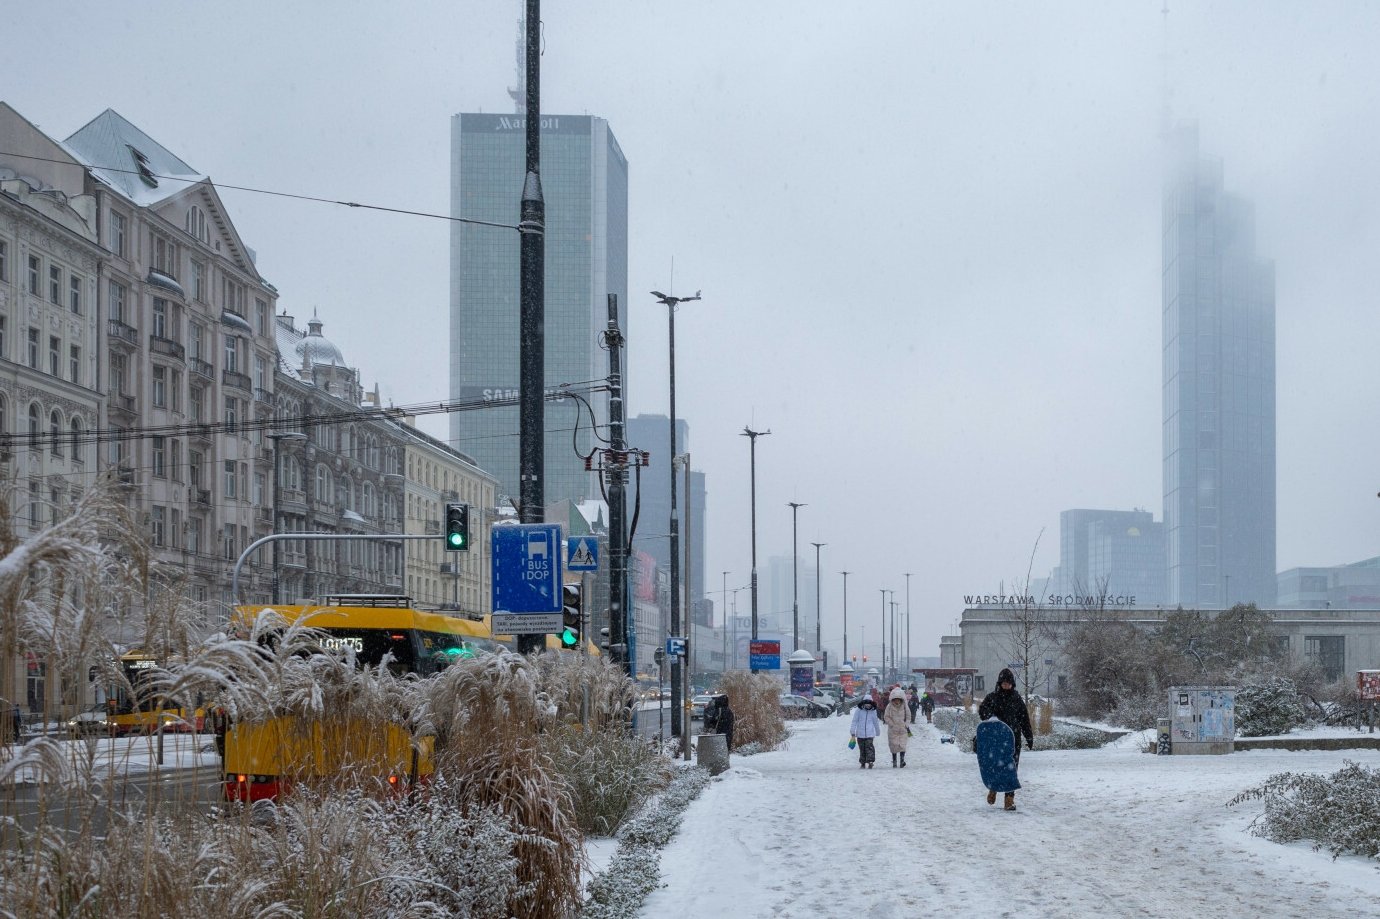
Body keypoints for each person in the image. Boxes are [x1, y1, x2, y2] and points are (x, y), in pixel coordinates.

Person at [978, 667, 1034, 810]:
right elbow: (982, 710)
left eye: (1008, 683)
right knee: (996, 767)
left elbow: (1024, 719)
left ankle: (1009, 800)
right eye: (1003, 683)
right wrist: (990, 716)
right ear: (999, 683)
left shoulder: (1017, 699)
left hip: (1013, 740)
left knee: (1011, 769)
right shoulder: (992, 697)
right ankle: (993, 789)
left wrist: (1029, 736)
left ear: (1012, 684)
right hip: (996, 740)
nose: (1006, 685)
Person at [849, 696, 882, 768]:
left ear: (871, 704)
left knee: (869, 747)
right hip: (860, 733)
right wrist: (852, 731)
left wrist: (877, 731)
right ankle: (862, 762)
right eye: (866, 704)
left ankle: (870, 761)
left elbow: (875, 722)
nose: (868, 705)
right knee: (862, 748)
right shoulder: (859, 710)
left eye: (869, 704)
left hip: (870, 733)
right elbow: (854, 721)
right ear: (863, 703)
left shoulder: (873, 711)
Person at [884, 687, 911, 767]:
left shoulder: (905, 706)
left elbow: (909, 716)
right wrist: (891, 724)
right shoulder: (889, 706)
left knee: (903, 745)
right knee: (894, 746)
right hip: (893, 730)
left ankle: (902, 760)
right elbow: (886, 717)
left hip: (903, 729)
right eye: (895, 699)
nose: (897, 701)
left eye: (898, 699)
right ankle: (894, 761)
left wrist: (906, 724)